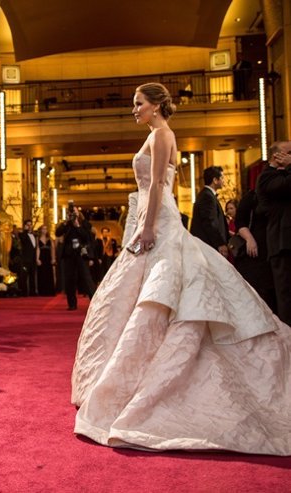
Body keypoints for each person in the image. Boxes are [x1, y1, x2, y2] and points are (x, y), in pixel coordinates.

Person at [71, 82, 291, 456]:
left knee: (160, 296)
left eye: (138, 103)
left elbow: (156, 183)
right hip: (155, 216)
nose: (134, 109)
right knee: (143, 295)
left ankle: (142, 378)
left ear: (156, 105)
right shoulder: (161, 133)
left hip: (159, 221)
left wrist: (149, 225)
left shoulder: (160, 134)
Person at [256, 140, 291, 326]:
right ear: (277, 156)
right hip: (282, 243)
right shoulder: (267, 177)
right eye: (289, 152)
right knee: (286, 295)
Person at [190, 166, 228, 256]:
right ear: (215, 180)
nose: (224, 180)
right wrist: (220, 243)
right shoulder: (207, 197)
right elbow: (210, 222)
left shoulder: (207, 195)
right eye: (222, 177)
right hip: (209, 246)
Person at [35, 224, 56, 296]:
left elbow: (53, 249)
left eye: (46, 229)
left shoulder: (50, 238)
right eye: (43, 229)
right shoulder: (37, 238)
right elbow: (38, 249)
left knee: (49, 274)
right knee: (41, 274)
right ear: (41, 230)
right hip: (42, 258)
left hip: (48, 258)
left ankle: (49, 291)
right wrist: (37, 259)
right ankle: (42, 291)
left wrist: (53, 258)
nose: (44, 230)